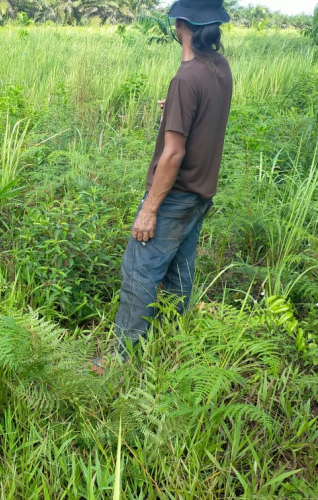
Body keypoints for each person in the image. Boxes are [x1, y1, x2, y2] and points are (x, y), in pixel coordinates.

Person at [93, 0, 233, 374]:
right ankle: (171, 338)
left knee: (139, 272)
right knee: (180, 271)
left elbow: (172, 155)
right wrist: (173, 108)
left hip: (175, 194)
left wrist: (149, 208)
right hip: (201, 193)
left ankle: (120, 360)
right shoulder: (219, 67)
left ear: (180, 23)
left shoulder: (186, 78)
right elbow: (208, 112)